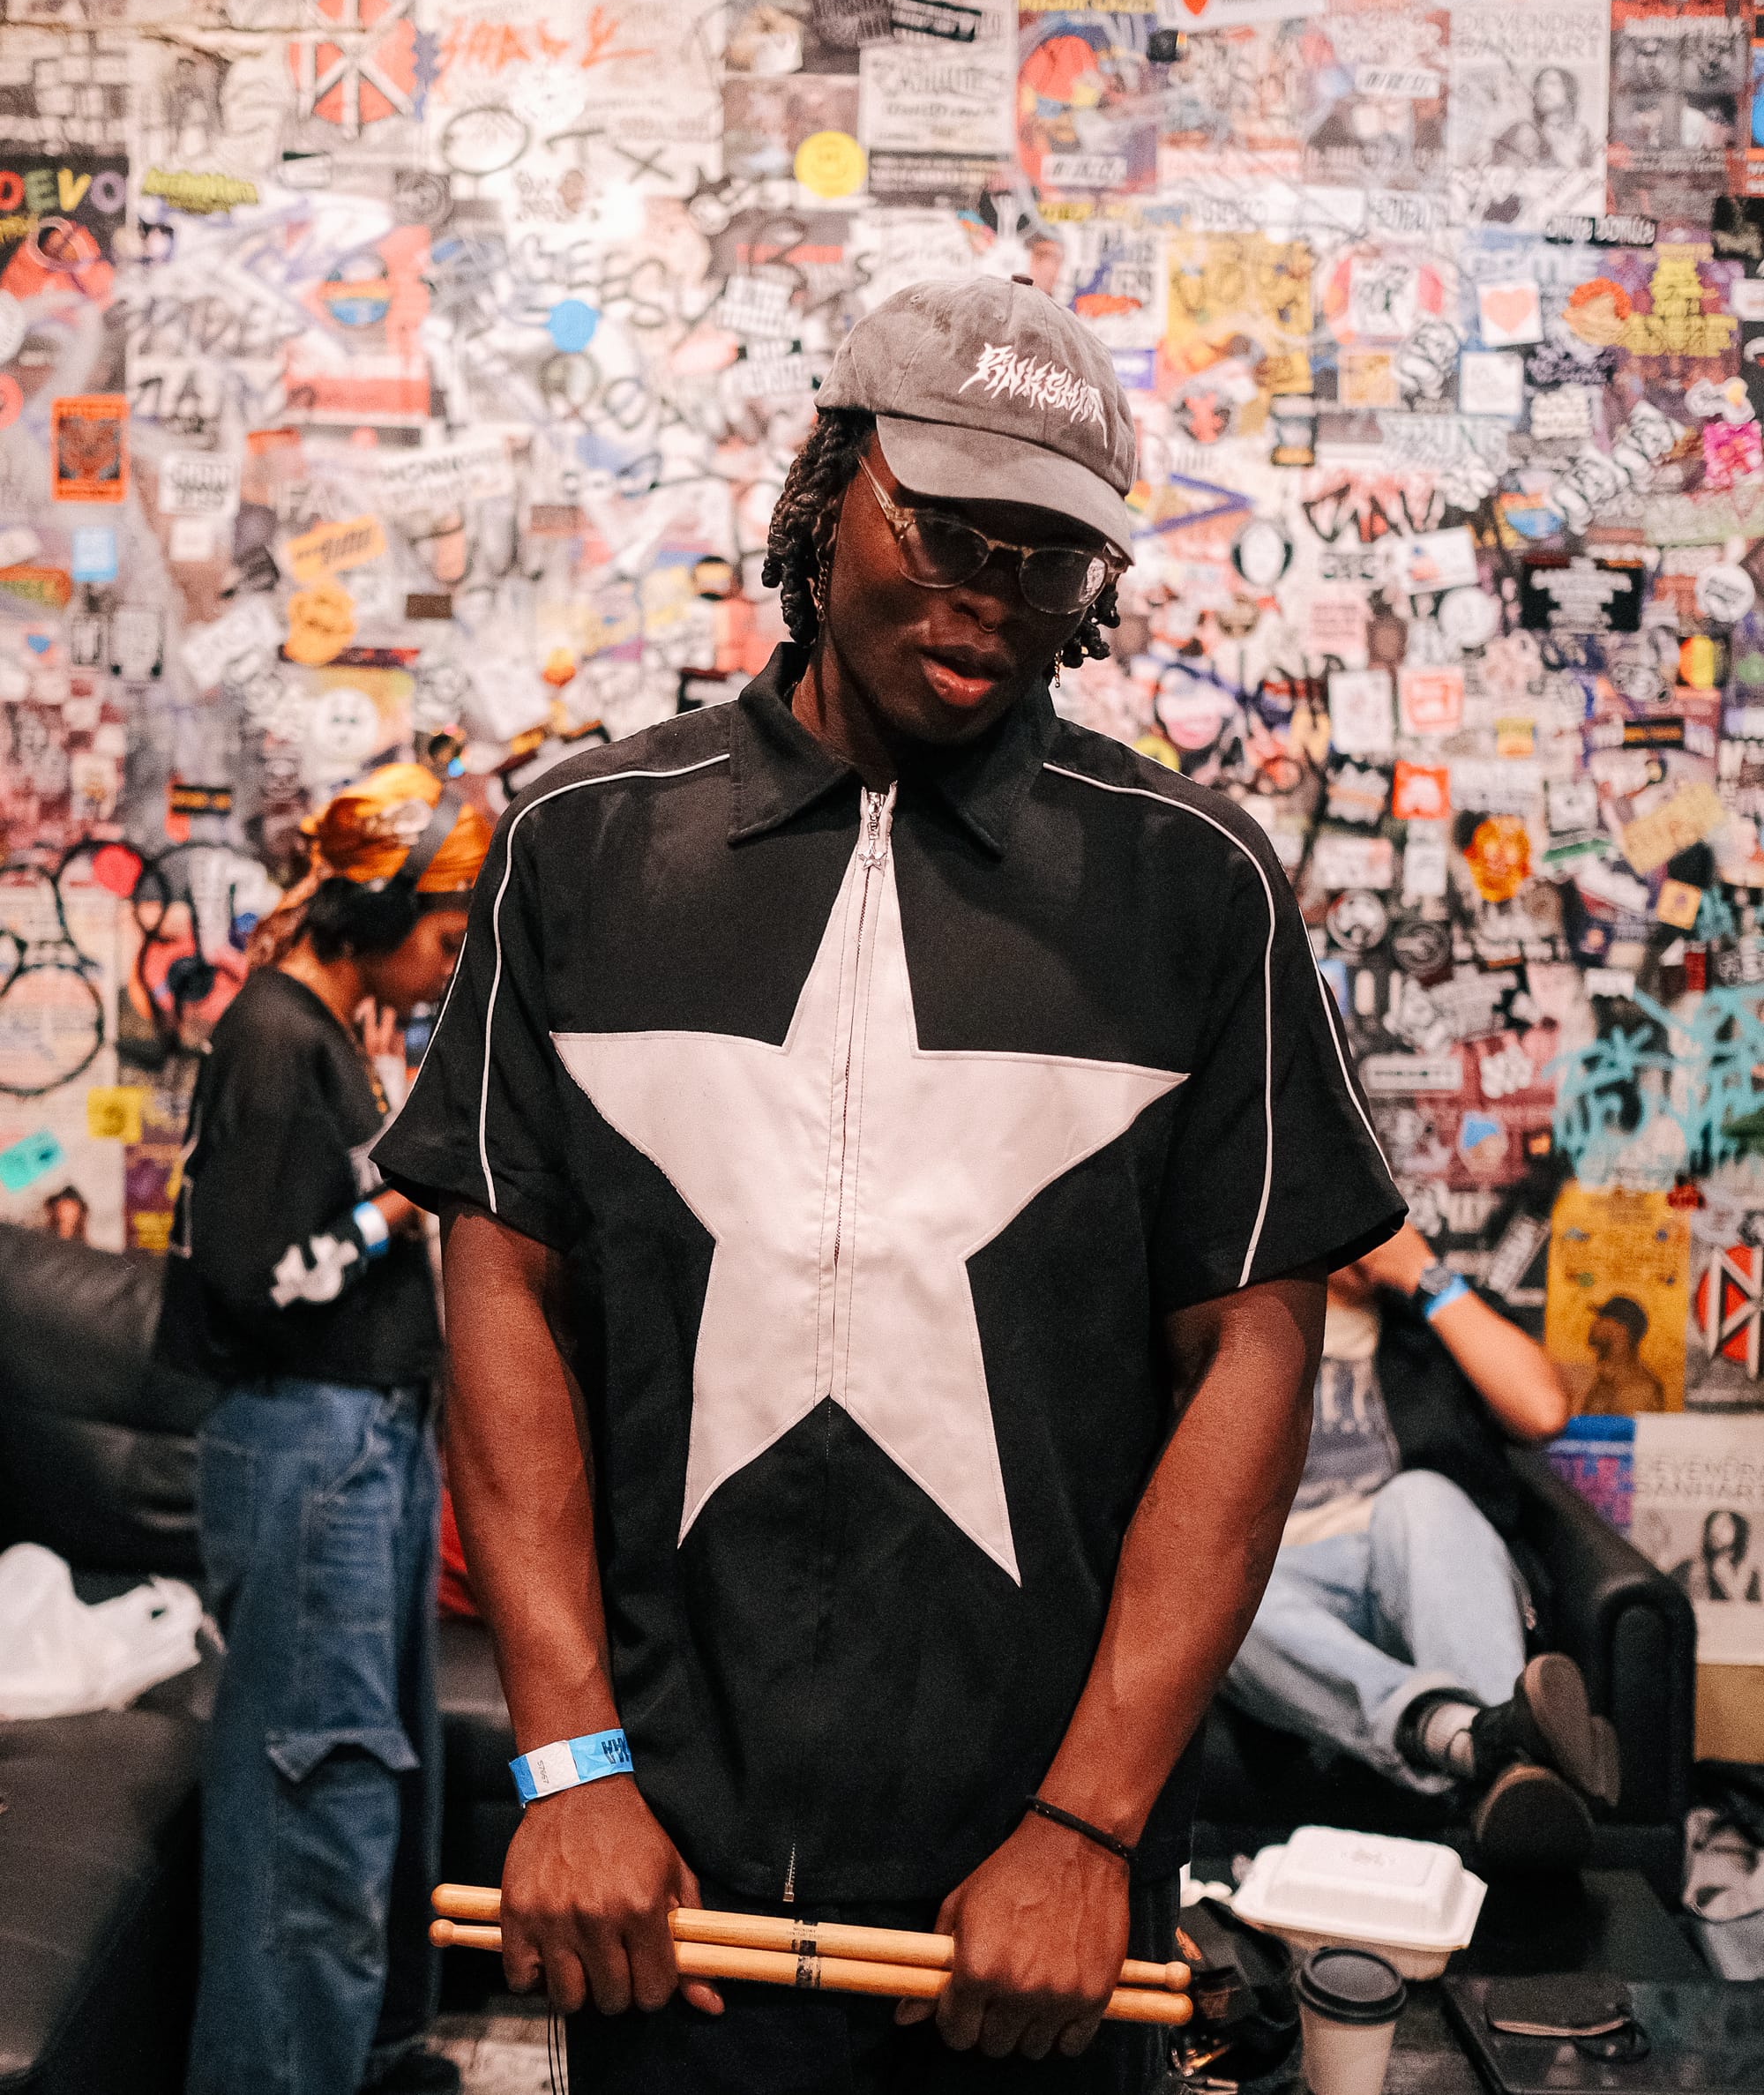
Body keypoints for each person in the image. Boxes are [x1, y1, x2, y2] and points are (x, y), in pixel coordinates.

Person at [376, 275, 1405, 2092]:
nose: (991, 593)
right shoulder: (585, 847)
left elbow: (1252, 1345)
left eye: (1050, 556)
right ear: (825, 489)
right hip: (665, 1895)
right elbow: (502, 1282)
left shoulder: (1189, 882)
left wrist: (1087, 1826)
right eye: (944, 527)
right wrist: (570, 1764)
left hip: (1034, 1909)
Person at [159, 763, 493, 2095]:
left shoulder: (329, 1032)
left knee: (378, 1768)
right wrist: (396, 1208)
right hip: (312, 1447)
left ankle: (364, 2057)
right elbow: (257, 1274)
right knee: (319, 1788)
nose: (447, 961)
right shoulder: (272, 1037)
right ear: (380, 912)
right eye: (442, 935)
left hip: (368, 1441)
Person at [1224, 1219, 1620, 1867]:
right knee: (1222, 1592)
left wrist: (1424, 1276)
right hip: (1290, 1603)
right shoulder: (1232, 1321)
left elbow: (1543, 1411)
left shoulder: (1425, 1317)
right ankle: (1491, 1750)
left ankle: (1489, 1749)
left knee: (1419, 1496)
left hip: (1421, 1572)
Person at [1585, 1293, 1663, 1415]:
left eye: (1602, 1318)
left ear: (1620, 1330)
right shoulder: (1605, 1379)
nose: (1594, 1324)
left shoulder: (1639, 1388)